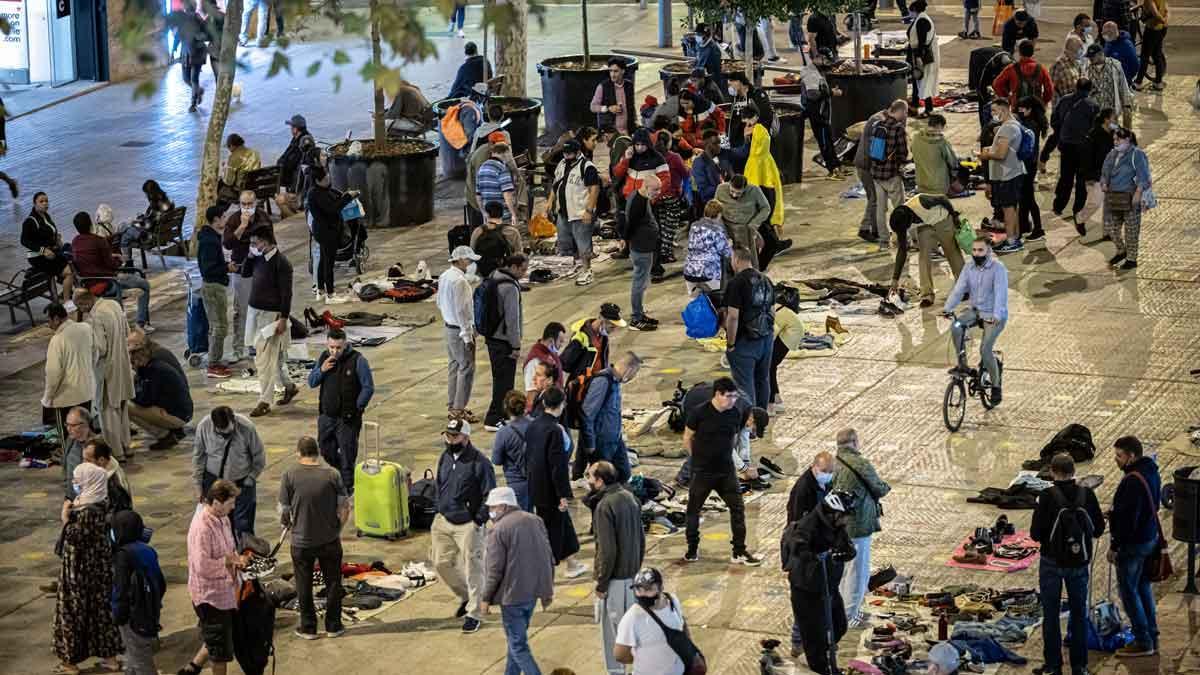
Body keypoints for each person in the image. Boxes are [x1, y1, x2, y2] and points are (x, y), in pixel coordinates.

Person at [1029, 453, 1106, 675]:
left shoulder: (1046, 496)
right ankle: (1079, 667)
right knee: (1078, 613)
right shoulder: (1086, 494)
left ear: (1053, 471)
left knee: (1051, 614)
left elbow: (1035, 534)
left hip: (1051, 563)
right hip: (1079, 562)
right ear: (1074, 471)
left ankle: (1053, 665)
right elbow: (1098, 528)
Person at [682, 376, 763, 566]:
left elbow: (735, 438)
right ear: (717, 395)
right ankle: (692, 550)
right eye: (729, 396)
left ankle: (739, 551)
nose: (733, 400)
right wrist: (698, 458)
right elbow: (687, 438)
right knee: (693, 511)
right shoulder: (699, 413)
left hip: (726, 472)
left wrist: (737, 464)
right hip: (703, 472)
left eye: (735, 396)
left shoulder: (735, 413)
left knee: (738, 508)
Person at [53, 463, 123, 675]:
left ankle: (69, 663)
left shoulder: (87, 512)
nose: (75, 483)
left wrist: (65, 518)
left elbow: (74, 537)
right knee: (100, 614)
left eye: (77, 480)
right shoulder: (100, 501)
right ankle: (110, 659)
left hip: (79, 572)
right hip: (99, 570)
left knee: (72, 615)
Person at [278, 436, 350, 640]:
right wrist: (338, 529)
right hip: (329, 540)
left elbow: (283, 510)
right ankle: (333, 626)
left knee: (303, 583)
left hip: (301, 541)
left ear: (298, 453)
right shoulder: (332, 474)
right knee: (334, 582)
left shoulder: (289, 475)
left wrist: (288, 525)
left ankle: (308, 627)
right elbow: (345, 506)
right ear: (317, 452)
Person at [780, 490, 858, 674]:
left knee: (839, 625)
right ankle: (822, 668)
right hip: (807, 591)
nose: (846, 521)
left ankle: (824, 654)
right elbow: (797, 546)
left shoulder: (835, 525)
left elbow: (847, 547)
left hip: (828, 586)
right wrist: (813, 556)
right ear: (832, 513)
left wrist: (844, 553)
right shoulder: (807, 526)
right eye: (844, 516)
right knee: (815, 639)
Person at [480, 486, 555, 675]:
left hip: (512, 597)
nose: (491, 511)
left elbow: (494, 570)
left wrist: (485, 598)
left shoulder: (498, 530)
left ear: (504, 506)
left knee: (518, 646)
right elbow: (547, 557)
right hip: (532, 595)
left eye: (494, 506)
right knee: (516, 642)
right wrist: (547, 591)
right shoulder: (535, 520)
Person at [433, 419, 496, 633]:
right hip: (444, 520)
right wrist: (438, 506)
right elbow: (439, 484)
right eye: (448, 435)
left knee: (473, 569)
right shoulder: (445, 457)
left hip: (468, 524)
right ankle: (466, 596)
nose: (450, 440)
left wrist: (478, 519)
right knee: (441, 563)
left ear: (466, 437)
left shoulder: (480, 463)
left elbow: (490, 494)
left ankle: (474, 612)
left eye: (455, 436)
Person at [182, 480, 245, 675]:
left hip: (225, 593)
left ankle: (191, 669)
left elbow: (229, 548)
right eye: (230, 503)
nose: (234, 507)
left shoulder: (223, 518)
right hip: (210, 597)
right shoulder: (202, 527)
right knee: (221, 652)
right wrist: (228, 563)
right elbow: (202, 566)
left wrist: (237, 559)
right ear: (217, 502)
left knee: (217, 637)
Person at [829, 428, 891, 627]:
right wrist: (886, 486)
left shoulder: (833, 463)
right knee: (858, 572)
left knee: (843, 571)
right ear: (855, 442)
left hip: (839, 524)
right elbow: (879, 488)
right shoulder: (860, 463)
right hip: (858, 524)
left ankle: (840, 611)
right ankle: (850, 615)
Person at [589, 460, 646, 675]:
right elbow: (641, 540)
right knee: (631, 631)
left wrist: (601, 584)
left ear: (600, 480)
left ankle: (616, 671)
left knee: (612, 633)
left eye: (590, 477)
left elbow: (607, 550)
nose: (588, 481)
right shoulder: (630, 497)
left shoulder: (605, 505)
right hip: (632, 577)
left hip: (614, 581)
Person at [525, 387, 588, 579]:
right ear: (561, 405)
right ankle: (545, 571)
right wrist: (562, 494)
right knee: (554, 530)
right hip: (550, 490)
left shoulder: (533, 425)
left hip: (536, 485)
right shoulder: (555, 430)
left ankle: (572, 563)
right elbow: (557, 466)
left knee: (562, 525)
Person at [1108, 436, 1162, 657]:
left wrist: (1115, 546)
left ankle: (1143, 641)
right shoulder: (1151, 471)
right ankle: (1152, 634)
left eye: (1119, 456)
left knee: (1129, 592)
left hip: (1134, 544)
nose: (1116, 460)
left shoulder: (1131, 481)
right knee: (1143, 587)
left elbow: (1128, 520)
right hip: (1150, 538)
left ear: (1131, 456)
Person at [308, 327, 375, 494]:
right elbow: (311, 382)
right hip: (327, 417)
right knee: (325, 450)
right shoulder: (324, 358)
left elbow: (368, 387)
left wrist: (357, 407)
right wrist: (321, 370)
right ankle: (344, 475)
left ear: (345, 345)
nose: (334, 351)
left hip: (347, 419)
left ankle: (347, 487)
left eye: (338, 348)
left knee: (347, 454)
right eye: (331, 347)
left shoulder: (358, 360)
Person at [943, 236, 1010, 402]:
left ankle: (996, 386)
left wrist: (996, 316)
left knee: (985, 349)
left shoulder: (998, 268)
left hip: (994, 314)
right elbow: (958, 290)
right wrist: (947, 309)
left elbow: (1001, 294)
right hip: (976, 311)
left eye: (980, 250)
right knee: (956, 326)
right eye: (974, 250)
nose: (976, 253)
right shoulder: (968, 267)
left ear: (989, 251)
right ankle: (963, 364)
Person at [72, 289, 134, 459]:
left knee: (108, 412)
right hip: (123, 364)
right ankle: (127, 446)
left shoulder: (95, 317)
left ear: (85, 302)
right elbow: (128, 332)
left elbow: (100, 348)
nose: (81, 310)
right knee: (122, 408)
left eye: (79, 306)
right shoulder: (113, 304)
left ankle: (116, 451)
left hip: (107, 370)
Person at [244, 228, 299, 417]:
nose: (253, 246)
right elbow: (245, 273)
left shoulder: (282, 263)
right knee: (273, 358)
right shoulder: (258, 258)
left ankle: (264, 401)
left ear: (266, 242)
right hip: (254, 312)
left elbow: (287, 293)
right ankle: (289, 386)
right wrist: (250, 257)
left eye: (255, 243)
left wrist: (284, 317)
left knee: (263, 358)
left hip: (271, 316)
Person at [70, 211, 154, 333]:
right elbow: (111, 265)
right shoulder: (98, 240)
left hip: (86, 284)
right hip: (107, 283)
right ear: (90, 224)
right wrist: (119, 260)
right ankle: (141, 324)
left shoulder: (75, 242)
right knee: (144, 284)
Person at [192, 405, 266, 536]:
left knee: (243, 524)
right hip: (213, 481)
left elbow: (258, 456)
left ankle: (244, 552)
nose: (225, 436)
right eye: (221, 433)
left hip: (241, 482)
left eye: (229, 432)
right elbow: (199, 457)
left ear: (234, 420)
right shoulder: (204, 427)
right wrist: (198, 486)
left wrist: (251, 477)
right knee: (215, 523)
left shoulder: (246, 428)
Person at [111, 509, 165, 675]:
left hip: (131, 618)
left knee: (142, 662)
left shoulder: (123, 556)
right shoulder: (148, 551)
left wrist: (118, 616)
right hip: (149, 613)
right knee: (134, 660)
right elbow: (161, 583)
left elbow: (120, 590)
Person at [888, 194, 966, 308]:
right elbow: (902, 250)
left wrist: (953, 216)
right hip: (924, 225)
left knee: (952, 252)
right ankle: (927, 295)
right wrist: (895, 279)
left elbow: (943, 199)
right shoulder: (901, 222)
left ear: (910, 219)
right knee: (923, 256)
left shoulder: (921, 201)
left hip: (942, 219)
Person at [222, 190, 272, 361]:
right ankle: (237, 348)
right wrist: (242, 227)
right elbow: (228, 244)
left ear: (256, 203)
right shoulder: (234, 219)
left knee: (259, 310)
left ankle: (255, 344)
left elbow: (272, 243)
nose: (247, 207)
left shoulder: (263, 217)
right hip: (241, 270)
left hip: (260, 269)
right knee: (241, 310)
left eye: (250, 204)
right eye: (243, 204)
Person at [613, 567, 691, 674]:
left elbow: (682, 624)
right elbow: (620, 655)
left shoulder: (672, 600)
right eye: (639, 589)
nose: (642, 594)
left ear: (661, 588)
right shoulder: (632, 617)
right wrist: (646, 661)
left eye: (648, 589)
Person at [724, 247, 775, 408]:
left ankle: (749, 426)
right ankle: (760, 420)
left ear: (736, 260)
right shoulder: (766, 280)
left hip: (745, 342)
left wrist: (731, 344)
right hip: (766, 339)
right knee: (762, 379)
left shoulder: (736, 283)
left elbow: (733, 317)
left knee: (744, 386)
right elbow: (772, 312)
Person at [580, 352, 642, 485]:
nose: (633, 377)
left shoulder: (615, 382)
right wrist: (589, 443)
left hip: (615, 439)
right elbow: (587, 413)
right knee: (603, 481)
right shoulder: (603, 381)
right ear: (629, 369)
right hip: (601, 443)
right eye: (634, 373)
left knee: (624, 474)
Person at [482, 254, 528, 431]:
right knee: (504, 381)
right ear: (514, 267)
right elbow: (512, 320)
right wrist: (516, 345)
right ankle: (493, 418)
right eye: (523, 269)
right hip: (504, 341)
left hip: (492, 336)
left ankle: (501, 414)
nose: (524, 273)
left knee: (501, 378)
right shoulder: (510, 288)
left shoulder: (495, 276)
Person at [737, 108, 787, 269]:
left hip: (762, 176)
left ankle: (773, 242)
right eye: (745, 120)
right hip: (757, 175)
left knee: (767, 209)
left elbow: (758, 151)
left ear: (756, 117)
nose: (747, 123)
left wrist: (748, 137)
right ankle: (771, 243)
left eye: (749, 119)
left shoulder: (760, 131)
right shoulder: (754, 132)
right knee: (763, 211)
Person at [547, 140, 601, 286]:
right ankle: (577, 267)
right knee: (565, 243)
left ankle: (587, 270)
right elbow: (555, 184)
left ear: (578, 152)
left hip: (580, 212)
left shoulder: (587, 167)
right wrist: (550, 201)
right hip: (564, 213)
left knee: (583, 244)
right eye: (565, 153)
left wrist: (589, 211)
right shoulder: (562, 164)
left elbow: (594, 190)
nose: (567, 155)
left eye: (570, 153)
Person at [437, 245, 481, 423]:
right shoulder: (460, 282)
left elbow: (439, 302)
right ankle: (458, 409)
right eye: (469, 260)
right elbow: (463, 311)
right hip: (459, 331)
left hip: (448, 328)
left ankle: (453, 405)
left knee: (454, 366)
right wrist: (467, 335)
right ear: (461, 260)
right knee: (466, 368)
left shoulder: (444, 276)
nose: (470, 264)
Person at [42, 303, 95, 450]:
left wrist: (48, 398)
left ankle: (71, 468)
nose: (48, 325)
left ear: (57, 319)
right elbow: (95, 354)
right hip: (86, 392)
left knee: (69, 440)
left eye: (49, 321)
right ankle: (90, 460)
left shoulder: (57, 340)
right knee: (86, 433)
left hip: (66, 398)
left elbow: (53, 374)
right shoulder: (85, 328)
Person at [1050, 78, 1100, 232]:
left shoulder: (1064, 100)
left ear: (1075, 87)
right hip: (1083, 148)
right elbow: (1096, 128)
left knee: (1065, 176)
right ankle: (1077, 210)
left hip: (1065, 145)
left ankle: (1058, 205)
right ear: (1090, 89)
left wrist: (1062, 133)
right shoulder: (1093, 105)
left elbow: (1054, 120)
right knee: (1080, 180)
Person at [978, 99, 1026, 254]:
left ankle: (1012, 240)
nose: (993, 114)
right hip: (1011, 172)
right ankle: (1015, 237)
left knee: (1008, 209)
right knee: (1012, 208)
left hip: (1007, 175)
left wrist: (984, 155)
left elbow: (1000, 154)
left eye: (994, 111)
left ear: (1004, 110)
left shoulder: (1008, 129)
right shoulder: (1012, 125)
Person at [1101, 127, 1152, 270]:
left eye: (1119, 139)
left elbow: (1144, 176)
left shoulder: (1137, 154)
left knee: (1131, 231)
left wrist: (1138, 192)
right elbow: (1105, 171)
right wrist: (1104, 182)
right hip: (1113, 198)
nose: (1116, 142)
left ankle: (1131, 259)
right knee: (1111, 228)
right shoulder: (1112, 155)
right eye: (1114, 140)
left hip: (1130, 198)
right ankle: (1121, 250)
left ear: (1127, 140)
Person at [129, 342, 193, 449]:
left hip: (179, 416)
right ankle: (172, 430)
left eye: (132, 362)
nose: (132, 366)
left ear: (138, 359)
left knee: (126, 406)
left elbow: (145, 401)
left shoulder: (154, 370)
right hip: (179, 411)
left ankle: (164, 435)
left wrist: (130, 394)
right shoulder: (155, 363)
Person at [797, 52, 849, 179]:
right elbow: (812, 94)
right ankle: (832, 170)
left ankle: (837, 165)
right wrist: (832, 92)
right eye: (826, 61)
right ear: (817, 58)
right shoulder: (810, 73)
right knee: (825, 143)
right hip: (817, 114)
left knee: (829, 140)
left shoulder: (817, 71)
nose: (828, 64)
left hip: (823, 113)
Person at [622, 174, 661, 331]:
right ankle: (636, 319)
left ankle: (639, 313)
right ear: (645, 187)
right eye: (655, 189)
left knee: (643, 282)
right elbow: (629, 225)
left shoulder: (641, 197)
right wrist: (625, 241)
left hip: (646, 246)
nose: (658, 192)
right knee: (639, 283)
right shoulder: (638, 202)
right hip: (641, 248)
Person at [870, 100, 910, 253]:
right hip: (892, 175)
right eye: (905, 112)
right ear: (899, 111)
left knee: (881, 209)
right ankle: (903, 240)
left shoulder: (878, 125)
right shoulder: (898, 128)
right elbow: (903, 153)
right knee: (900, 209)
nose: (905, 115)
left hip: (877, 175)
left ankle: (883, 241)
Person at [196, 205, 232, 376]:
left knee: (216, 326)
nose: (225, 220)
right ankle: (213, 364)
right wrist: (227, 268)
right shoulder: (209, 241)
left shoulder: (211, 237)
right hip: (213, 287)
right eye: (224, 217)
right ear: (216, 219)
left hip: (215, 286)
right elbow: (207, 269)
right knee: (220, 327)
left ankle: (214, 358)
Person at [21, 192, 74, 304]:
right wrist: (43, 250)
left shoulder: (46, 216)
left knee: (70, 260)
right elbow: (24, 241)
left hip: (52, 252)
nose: (45, 203)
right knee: (68, 271)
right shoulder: (30, 221)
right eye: (41, 201)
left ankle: (65, 294)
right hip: (38, 257)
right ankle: (67, 302)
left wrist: (56, 239)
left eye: (46, 201)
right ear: (34, 204)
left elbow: (48, 234)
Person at [305, 166, 348, 304]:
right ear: (317, 180)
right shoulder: (317, 194)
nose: (328, 178)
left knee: (323, 261)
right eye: (325, 178)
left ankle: (321, 290)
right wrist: (348, 197)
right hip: (326, 232)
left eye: (328, 175)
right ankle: (330, 294)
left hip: (323, 231)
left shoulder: (320, 190)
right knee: (328, 263)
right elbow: (333, 208)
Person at [715, 175, 773, 270]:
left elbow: (766, 208)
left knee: (748, 263)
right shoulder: (720, 189)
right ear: (729, 184)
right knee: (727, 263)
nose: (734, 195)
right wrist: (723, 231)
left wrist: (754, 224)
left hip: (745, 230)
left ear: (745, 189)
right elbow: (716, 210)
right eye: (732, 191)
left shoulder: (754, 190)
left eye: (738, 193)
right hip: (726, 228)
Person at [1076, 107, 1117, 232]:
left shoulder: (1113, 134)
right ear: (1106, 120)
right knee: (1095, 202)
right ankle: (1080, 218)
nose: (1115, 121)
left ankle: (1108, 231)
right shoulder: (1094, 135)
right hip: (1097, 174)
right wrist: (1089, 176)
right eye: (1113, 118)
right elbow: (1086, 157)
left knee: (1110, 205)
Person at [492, 391, 534, 510]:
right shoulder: (535, 424)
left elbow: (496, 460)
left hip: (516, 482)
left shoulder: (504, 433)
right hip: (537, 479)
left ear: (506, 408)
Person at [683, 200, 734, 299]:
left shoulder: (694, 226)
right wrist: (729, 245)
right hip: (708, 274)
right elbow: (727, 253)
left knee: (696, 302)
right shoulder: (717, 230)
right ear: (719, 215)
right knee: (713, 303)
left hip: (690, 271)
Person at [1015, 96, 1049, 241]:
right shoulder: (1031, 123)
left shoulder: (1029, 126)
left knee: (1028, 198)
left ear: (1029, 109)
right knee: (1024, 197)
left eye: (1022, 108)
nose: (1019, 111)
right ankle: (1024, 226)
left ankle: (1038, 228)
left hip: (1028, 165)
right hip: (1029, 164)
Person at [992, 39, 1054, 109]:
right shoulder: (1041, 69)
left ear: (1019, 52)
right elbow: (1049, 89)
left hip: (1017, 108)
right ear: (1033, 52)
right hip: (1036, 108)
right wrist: (1043, 101)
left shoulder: (1011, 69)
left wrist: (1008, 98)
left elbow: (996, 84)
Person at [853, 109, 885, 243]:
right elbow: (877, 151)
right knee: (874, 198)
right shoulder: (879, 124)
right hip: (866, 166)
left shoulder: (875, 118)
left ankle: (875, 229)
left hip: (862, 163)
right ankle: (865, 229)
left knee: (874, 198)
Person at [1085, 43, 1134, 128]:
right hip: (1094, 116)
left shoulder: (1115, 65)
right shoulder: (1087, 69)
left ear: (1101, 54)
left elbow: (1123, 86)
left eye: (1092, 56)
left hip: (1112, 116)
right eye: (1089, 57)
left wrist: (1126, 105)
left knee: (1111, 138)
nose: (1090, 59)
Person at [276, 114, 316, 215]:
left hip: (297, 182)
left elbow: (292, 162)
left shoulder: (303, 141)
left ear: (295, 129)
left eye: (291, 127)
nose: (290, 129)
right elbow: (286, 156)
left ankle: (295, 218)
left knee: (278, 198)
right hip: (294, 178)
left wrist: (280, 164)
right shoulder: (298, 138)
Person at [178, 0, 214, 112]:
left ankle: (193, 104)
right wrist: (174, 48)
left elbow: (207, 35)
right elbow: (177, 36)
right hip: (188, 52)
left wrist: (198, 37)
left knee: (192, 79)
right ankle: (198, 91)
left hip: (196, 52)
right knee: (188, 79)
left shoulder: (197, 19)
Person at [472, 201, 523, 279]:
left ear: (487, 214)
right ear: (502, 214)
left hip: (483, 273)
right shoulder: (512, 231)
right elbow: (519, 255)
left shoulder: (477, 231)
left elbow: (472, 254)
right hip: (505, 273)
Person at [911, 114, 959, 196]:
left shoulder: (915, 138)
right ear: (939, 125)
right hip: (939, 186)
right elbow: (953, 162)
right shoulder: (941, 142)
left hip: (921, 184)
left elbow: (912, 151)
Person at [906, 1, 940, 117]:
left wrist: (919, 58)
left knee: (925, 81)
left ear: (914, 9)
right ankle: (916, 104)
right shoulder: (921, 18)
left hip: (924, 56)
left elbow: (921, 41)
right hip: (919, 55)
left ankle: (928, 109)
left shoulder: (922, 21)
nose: (909, 13)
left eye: (910, 10)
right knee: (919, 80)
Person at [82, 438, 133, 514]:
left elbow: (117, 517)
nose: (83, 463)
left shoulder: (114, 485)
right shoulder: (103, 467)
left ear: (101, 460)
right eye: (83, 459)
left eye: (88, 460)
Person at [727, 72, 774, 151]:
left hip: (754, 142)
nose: (729, 88)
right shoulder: (736, 98)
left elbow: (766, 116)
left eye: (730, 85)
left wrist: (752, 123)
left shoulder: (757, 94)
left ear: (738, 82)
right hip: (737, 143)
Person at [476, 141, 520, 225]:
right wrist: (513, 214)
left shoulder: (482, 168)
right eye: (509, 154)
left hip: (489, 217)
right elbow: (507, 194)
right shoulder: (502, 169)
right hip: (502, 216)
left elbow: (478, 195)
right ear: (505, 153)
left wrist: (483, 213)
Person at [591, 58, 636, 136]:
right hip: (610, 133)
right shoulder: (602, 87)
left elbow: (631, 106)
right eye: (610, 71)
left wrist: (634, 122)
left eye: (615, 71)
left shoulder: (629, 85)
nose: (612, 74)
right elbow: (593, 107)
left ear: (623, 71)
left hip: (627, 131)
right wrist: (608, 108)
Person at [524, 322, 567, 403]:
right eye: (560, 341)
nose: (561, 345)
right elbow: (531, 394)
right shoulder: (534, 361)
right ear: (551, 341)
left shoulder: (550, 354)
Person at [61, 408, 94, 506]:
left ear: (84, 425)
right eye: (67, 424)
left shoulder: (95, 446)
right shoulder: (70, 440)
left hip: (88, 501)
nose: (68, 429)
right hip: (71, 498)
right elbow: (66, 468)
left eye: (72, 425)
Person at [1134, 0, 1167, 91]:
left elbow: (1155, 13)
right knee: (1157, 55)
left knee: (1145, 56)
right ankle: (1158, 82)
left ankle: (1138, 82)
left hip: (1152, 29)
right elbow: (1166, 10)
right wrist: (1165, 21)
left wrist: (1161, 19)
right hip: (1161, 29)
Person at [690, 132, 722, 210]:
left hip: (718, 199)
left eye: (719, 143)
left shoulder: (717, 159)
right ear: (707, 145)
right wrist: (723, 187)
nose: (719, 146)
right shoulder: (699, 162)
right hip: (707, 206)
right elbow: (703, 192)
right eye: (715, 143)